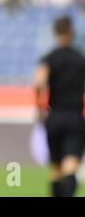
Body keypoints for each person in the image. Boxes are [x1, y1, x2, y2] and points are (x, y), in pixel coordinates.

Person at [34, 15, 85, 197]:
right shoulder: (80, 59)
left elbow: (39, 83)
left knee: (56, 168)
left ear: (55, 32)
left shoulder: (49, 58)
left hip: (54, 116)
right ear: (72, 32)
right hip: (76, 117)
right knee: (70, 165)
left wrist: (40, 109)